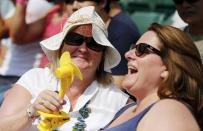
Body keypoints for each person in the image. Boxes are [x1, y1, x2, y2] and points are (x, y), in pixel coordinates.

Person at [0, 6, 129, 131]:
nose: (83, 49)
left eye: (93, 43)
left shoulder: (118, 101)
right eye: (75, 39)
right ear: (61, 46)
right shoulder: (34, 79)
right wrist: (31, 111)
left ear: (103, 55)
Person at [101, 23, 203, 131]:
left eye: (142, 49)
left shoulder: (169, 111)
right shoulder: (127, 109)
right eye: (133, 47)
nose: (127, 54)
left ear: (169, 67)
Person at [72, 0, 140, 88]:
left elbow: (117, 86)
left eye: (81, 0)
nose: (74, 6)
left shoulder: (122, 32)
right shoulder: (80, 29)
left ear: (102, 3)